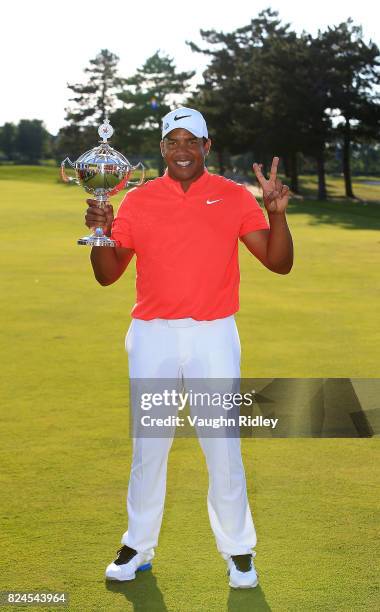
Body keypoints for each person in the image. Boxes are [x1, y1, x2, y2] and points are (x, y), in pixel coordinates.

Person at [84, 107, 293, 589]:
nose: (181, 149)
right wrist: (100, 231)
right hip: (153, 335)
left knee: (223, 448)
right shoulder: (137, 201)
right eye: (172, 141)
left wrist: (276, 216)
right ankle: (138, 545)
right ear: (162, 148)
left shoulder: (233, 195)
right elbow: (107, 274)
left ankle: (239, 551)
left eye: (190, 141)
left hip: (213, 335)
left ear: (206, 147)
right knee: (149, 449)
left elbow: (278, 263)